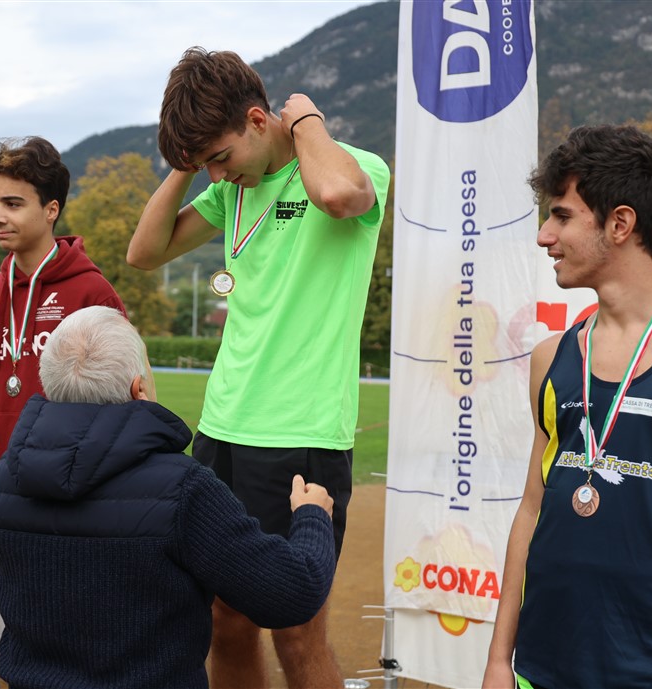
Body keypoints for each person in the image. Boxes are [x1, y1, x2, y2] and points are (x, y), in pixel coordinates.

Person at [127, 47, 391, 688]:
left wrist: (306, 122)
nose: (218, 174)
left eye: (220, 156)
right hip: (221, 430)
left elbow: (338, 195)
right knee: (224, 619)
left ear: (255, 119)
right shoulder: (227, 192)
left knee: (298, 631)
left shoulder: (355, 167)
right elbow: (144, 252)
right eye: (205, 165)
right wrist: (188, 165)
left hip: (302, 434)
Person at [482, 125, 652, 689]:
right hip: (539, 667)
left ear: (620, 224)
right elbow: (530, 510)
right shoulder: (551, 357)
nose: (545, 236)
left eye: (561, 216)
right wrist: (500, 660)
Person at [0, 305, 337, 689]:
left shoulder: (2, 480)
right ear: (138, 389)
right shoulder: (184, 488)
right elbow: (292, 594)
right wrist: (312, 517)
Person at [0, 136, 126, 561]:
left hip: (72, 504)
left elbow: (120, 412)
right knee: (2, 604)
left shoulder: (92, 293)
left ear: (51, 210)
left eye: (13, 204)